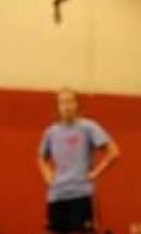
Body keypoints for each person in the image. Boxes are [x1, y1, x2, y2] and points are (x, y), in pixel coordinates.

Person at [39, 88, 120, 234]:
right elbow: (41, 158)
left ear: (77, 104)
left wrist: (95, 173)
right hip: (56, 195)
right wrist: (47, 175)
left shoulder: (88, 127)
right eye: (62, 102)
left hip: (81, 194)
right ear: (57, 106)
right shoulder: (50, 132)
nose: (66, 106)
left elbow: (113, 152)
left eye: (70, 101)